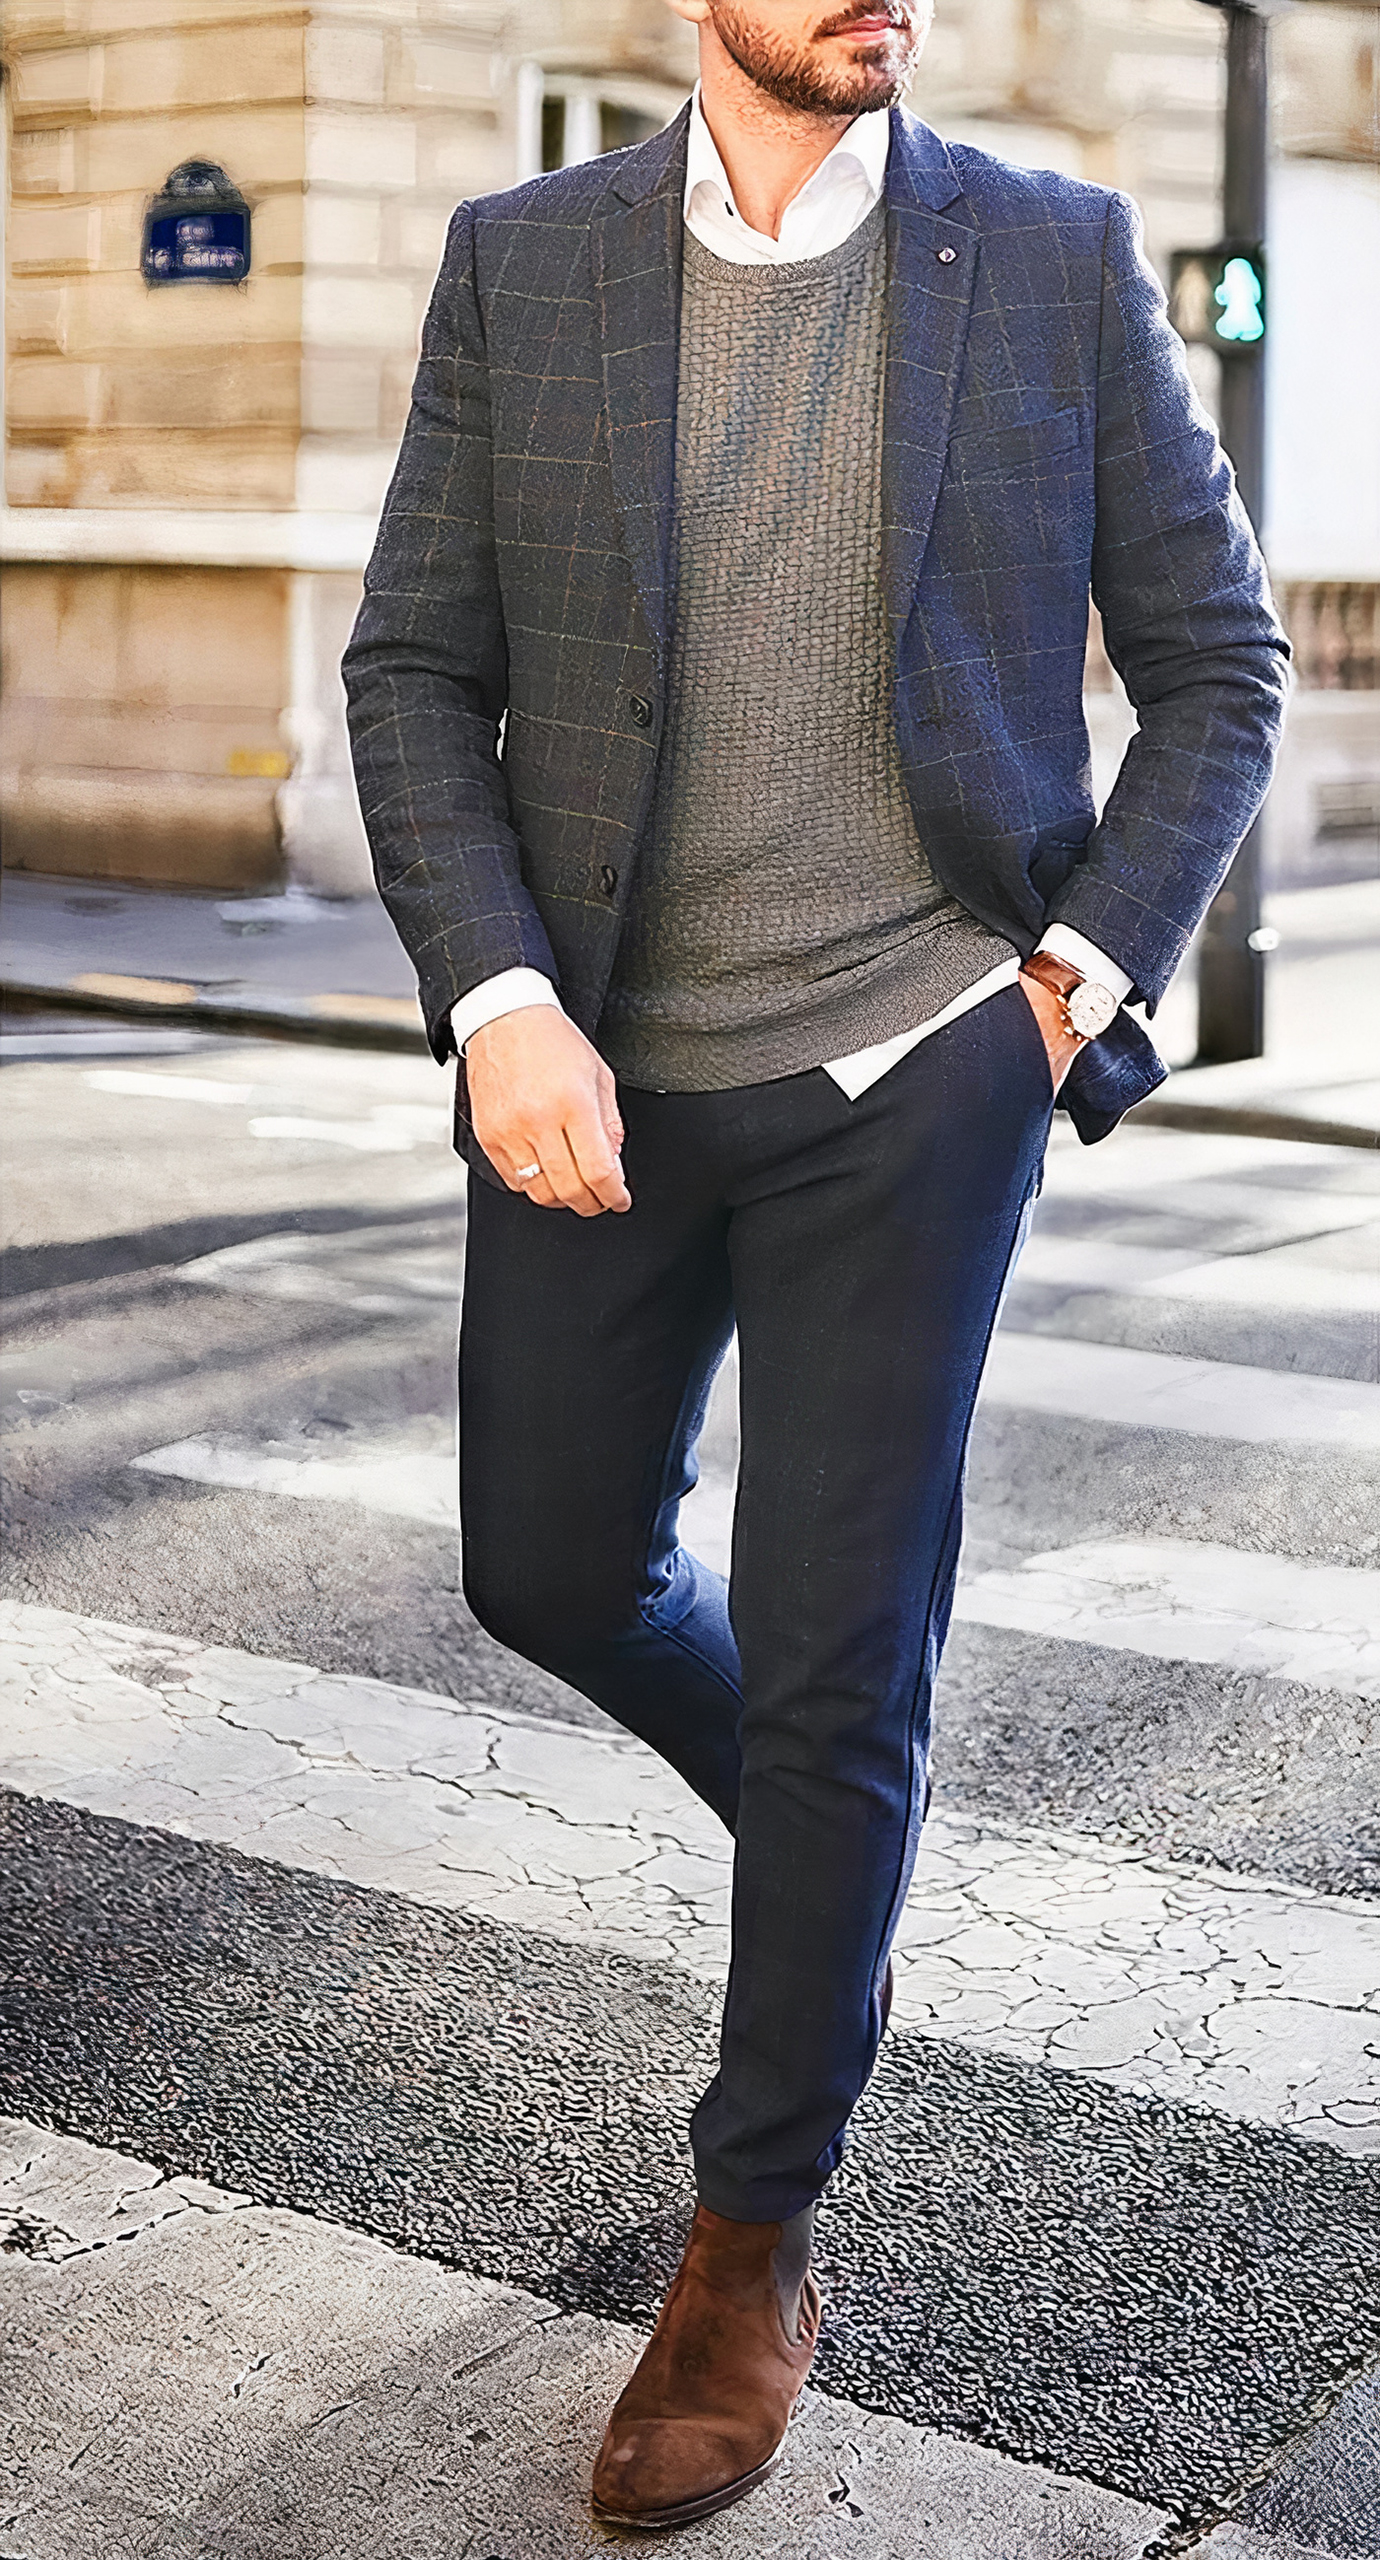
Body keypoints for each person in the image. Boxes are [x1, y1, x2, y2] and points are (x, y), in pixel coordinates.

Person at [343, 0, 1287, 2529]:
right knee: (545, 1562)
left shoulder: (1055, 258)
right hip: (599, 1076)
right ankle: (818, 1799)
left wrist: (1076, 979)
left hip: (922, 1071)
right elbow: (417, 666)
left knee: (845, 1641)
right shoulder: (520, 262)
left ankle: (749, 2233)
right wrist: (500, 995)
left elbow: (1220, 662)